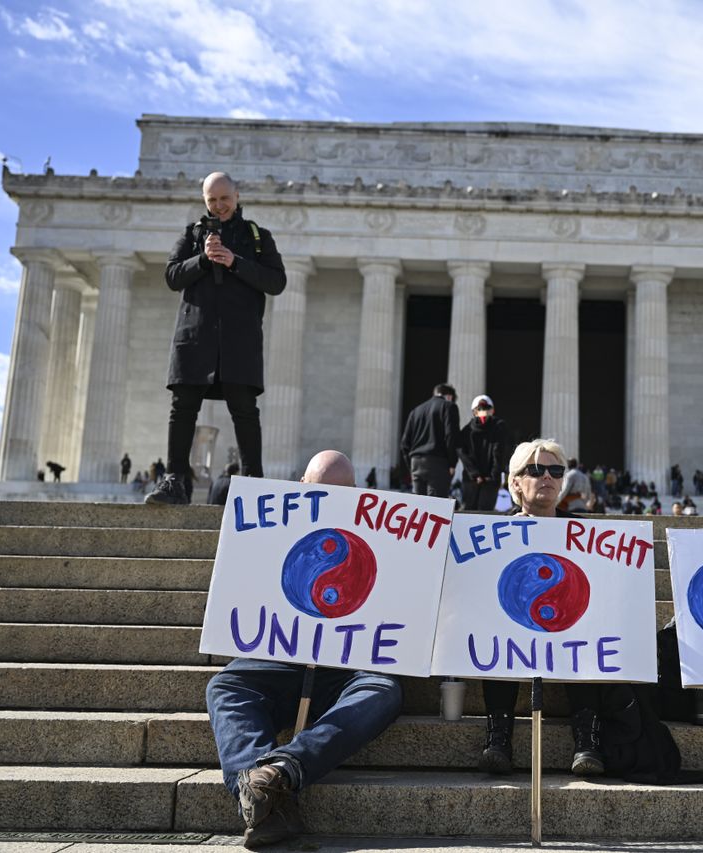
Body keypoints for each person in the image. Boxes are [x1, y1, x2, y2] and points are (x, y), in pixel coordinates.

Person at [205, 450, 403, 848]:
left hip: (350, 663)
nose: (331, 503)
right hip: (279, 655)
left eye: (342, 494)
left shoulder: (381, 538)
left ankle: (279, 773)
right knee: (225, 687)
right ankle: (264, 791)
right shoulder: (271, 527)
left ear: (358, 493)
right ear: (300, 488)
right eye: (320, 492)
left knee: (383, 690)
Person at [146, 172, 287, 505]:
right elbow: (172, 276)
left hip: (240, 339)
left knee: (245, 410)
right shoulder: (192, 235)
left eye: (225, 198)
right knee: (182, 408)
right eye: (212, 200)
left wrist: (235, 262)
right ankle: (175, 481)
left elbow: (276, 281)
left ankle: (254, 482)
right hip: (195, 337)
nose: (219, 205)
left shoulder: (257, 237)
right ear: (204, 201)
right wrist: (203, 259)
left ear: (237, 196)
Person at [478, 439, 607, 777]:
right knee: (496, 631)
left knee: (587, 634)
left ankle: (587, 738)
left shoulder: (584, 534)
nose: (547, 477)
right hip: (514, 627)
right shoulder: (495, 534)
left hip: (568, 625)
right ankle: (498, 736)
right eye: (535, 471)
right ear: (516, 482)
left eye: (555, 470)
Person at [400, 383, 461, 498]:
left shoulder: (416, 411)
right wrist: (452, 463)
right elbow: (451, 436)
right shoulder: (449, 407)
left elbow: (404, 444)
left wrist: (411, 465)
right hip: (438, 462)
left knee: (419, 505)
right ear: (449, 396)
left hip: (416, 462)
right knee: (436, 506)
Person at [458, 394, 510, 511]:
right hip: (484, 480)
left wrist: (476, 475)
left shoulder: (466, 431)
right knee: (482, 514)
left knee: (471, 512)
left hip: (476, 480)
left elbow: (500, 452)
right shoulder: (499, 427)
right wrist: (491, 475)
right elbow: (500, 453)